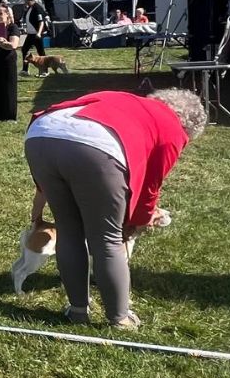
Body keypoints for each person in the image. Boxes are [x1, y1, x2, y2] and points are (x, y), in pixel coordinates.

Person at [25, 89, 206, 328]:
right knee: (107, 240)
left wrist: (40, 195)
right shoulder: (172, 127)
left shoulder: (128, 100)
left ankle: (77, 310)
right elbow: (151, 185)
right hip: (95, 146)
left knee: (68, 231)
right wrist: (136, 221)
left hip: (40, 134)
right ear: (188, 126)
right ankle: (119, 318)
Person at [19, 0, 49, 77]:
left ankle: (44, 71)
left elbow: (41, 22)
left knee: (41, 52)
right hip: (30, 34)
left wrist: (39, 33)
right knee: (24, 50)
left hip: (36, 34)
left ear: (30, 0)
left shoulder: (37, 8)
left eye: (26, 1)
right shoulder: (30, 8)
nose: (25, 3)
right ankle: (25, 70)